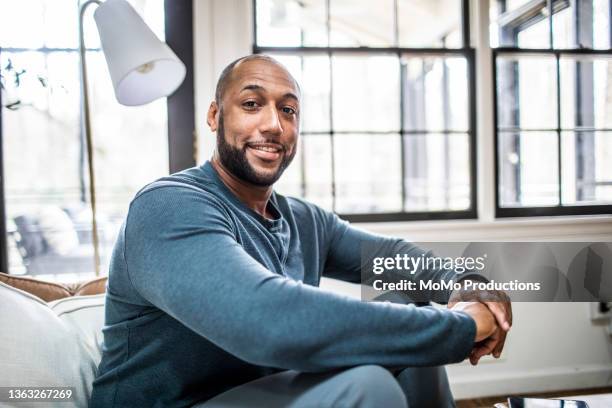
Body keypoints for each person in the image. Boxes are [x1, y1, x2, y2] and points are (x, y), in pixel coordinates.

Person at [90, 54, 512, 408]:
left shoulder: (303, 220)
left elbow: (393, 258)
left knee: (405, 302)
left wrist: (469, 286)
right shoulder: (168, 205)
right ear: (215, 116)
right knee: (369, 386)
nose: (274, 124)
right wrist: (463, 328)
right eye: (252, 104)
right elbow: (268, 321)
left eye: (288, 110)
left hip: (258, 396)